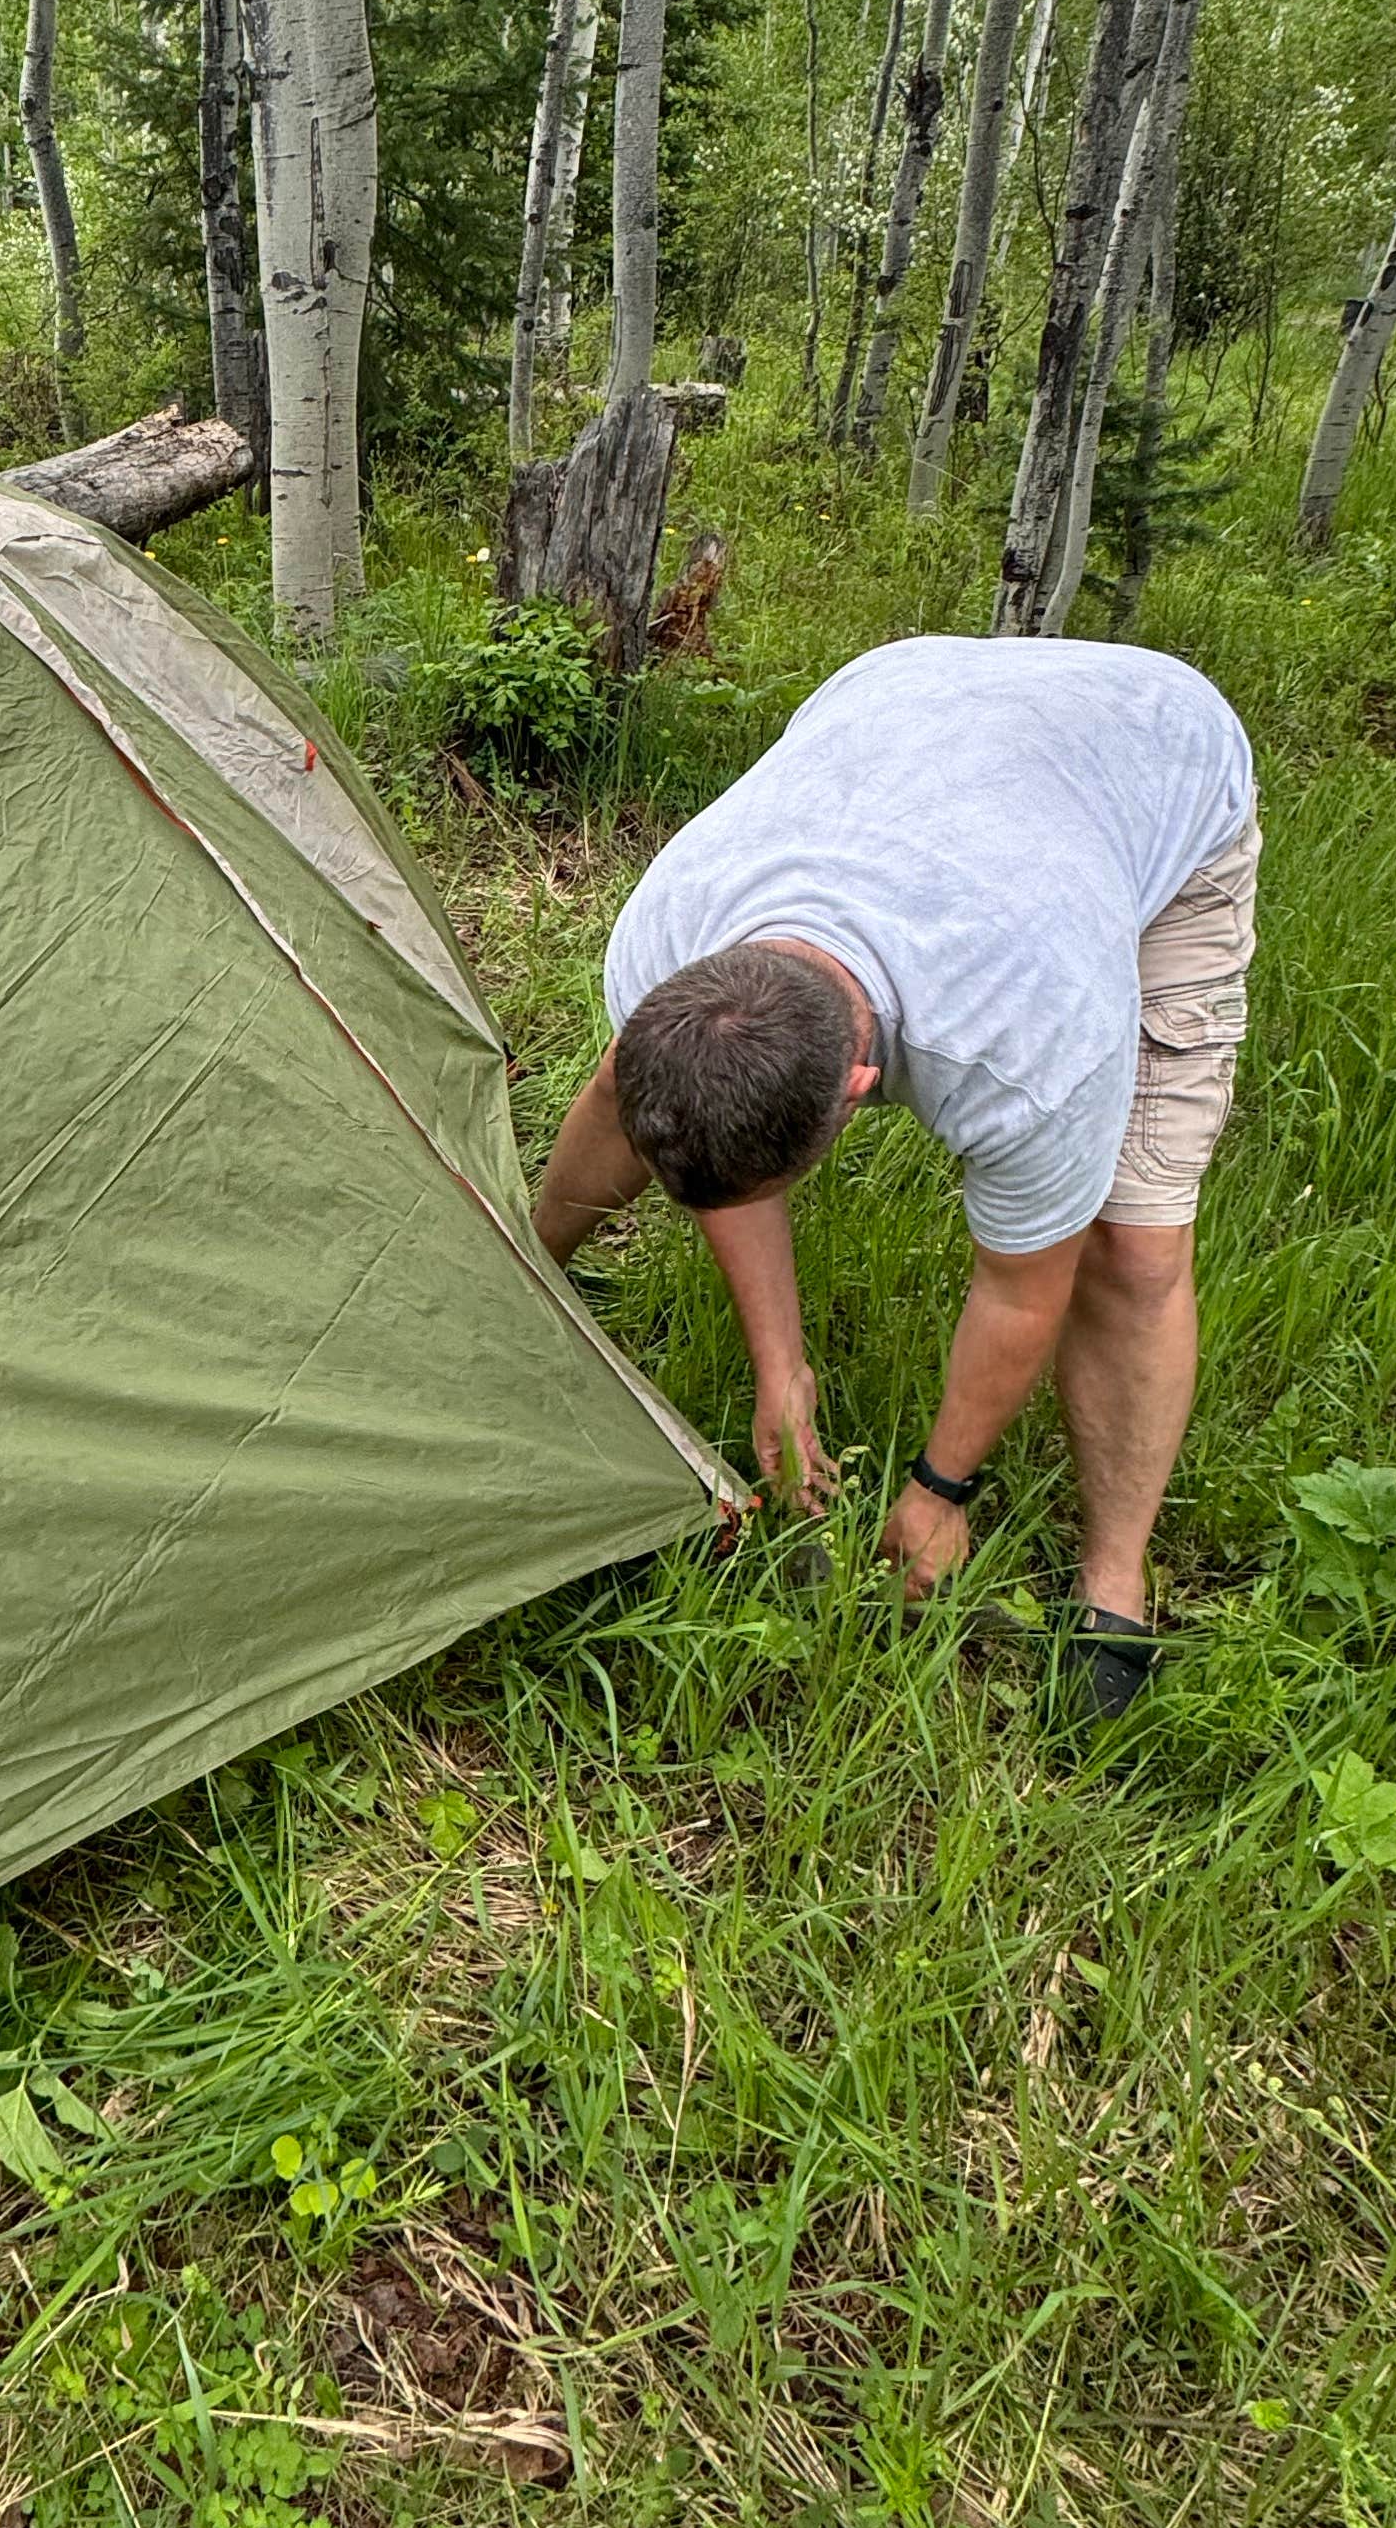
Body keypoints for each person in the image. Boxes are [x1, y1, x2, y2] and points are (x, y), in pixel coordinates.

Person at [533, 634, 1258, 1717]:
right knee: (703, 1130)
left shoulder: (1029, 1047)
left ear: (860, 1087)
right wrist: (777, 1365)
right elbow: (659, 1125)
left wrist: (940, 1485)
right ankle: (526, 1267)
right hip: (912, 698)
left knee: (1133, 1248)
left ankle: (1114, 1589)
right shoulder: (670, 940)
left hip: (1154, 753)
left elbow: (1024, 1287)